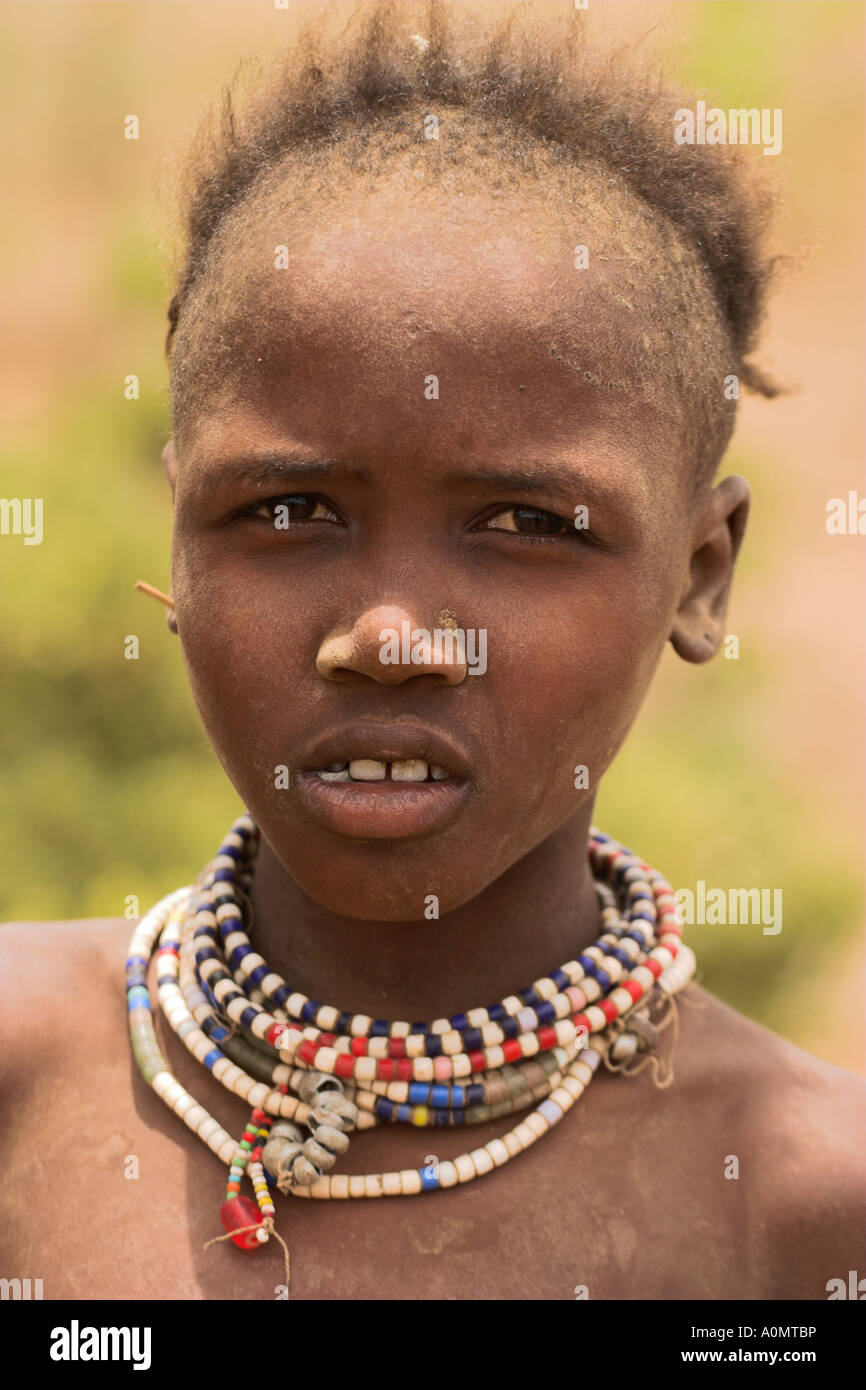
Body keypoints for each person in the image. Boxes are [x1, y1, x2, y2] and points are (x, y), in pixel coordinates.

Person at [2, 0, 864, 1301]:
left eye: (525, 524)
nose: (388, 640)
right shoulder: (19, 1084)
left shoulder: (804, 1213)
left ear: (698, 573)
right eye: (286, 512)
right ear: (178, 535)